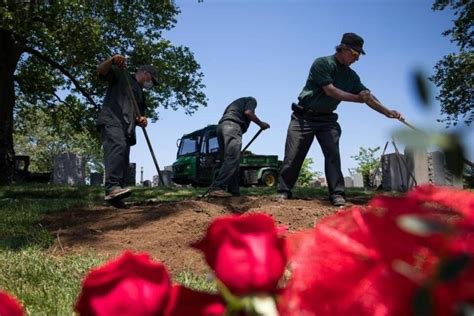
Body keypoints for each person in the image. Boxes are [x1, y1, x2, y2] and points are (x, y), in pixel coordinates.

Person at [277, 33, 402, 206]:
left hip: (327, 121)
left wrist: (387, 111)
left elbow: (367, 97)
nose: (357, 59)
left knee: (333, 155)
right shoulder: (322, 63)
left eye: (359, 56)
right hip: (303, 118)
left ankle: (337, 194)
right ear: (343, 49)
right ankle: (284, 190)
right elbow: (331, 91)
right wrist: (358, 99)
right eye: (355, 54)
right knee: (293, 156)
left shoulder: (351, 76)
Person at [96, 54, 158, 207]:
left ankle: (116, 197)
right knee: (117, 149)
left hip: (127, 129)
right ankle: (112, 188)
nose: (151, 84)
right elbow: (101, 71)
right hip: (112, 121)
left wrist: (143, 120)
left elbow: (140, 116)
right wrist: (111, 60)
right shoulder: (121, 75)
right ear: (145, 73)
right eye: (152, 80)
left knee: (123, 159)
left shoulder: (140, 93)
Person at [208, 97, 270, 197]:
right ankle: (218, 187)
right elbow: (248, 112)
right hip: (233, 127)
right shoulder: (252, 100)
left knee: (230, 161)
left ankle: (234, 191)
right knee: (232, 159)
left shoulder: (234, 104)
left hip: (221, 128)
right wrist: (261, 124)